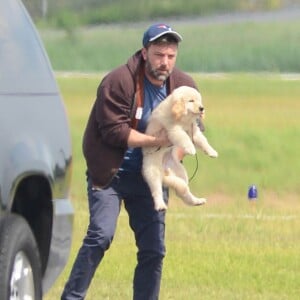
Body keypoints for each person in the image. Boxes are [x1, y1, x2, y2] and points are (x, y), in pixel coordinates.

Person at [61, 23, 203, 300]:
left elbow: (193, 129)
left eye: (170, 56)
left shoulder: (184, 87)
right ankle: (71, 297)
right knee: (100, 236)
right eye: (159, 54)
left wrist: (171, 160)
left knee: (154, 249)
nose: (165, 62)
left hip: (151, 176)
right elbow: (114, 132)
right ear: (144, 52)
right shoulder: (119, 81)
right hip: (111, 172)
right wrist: (156, 143)